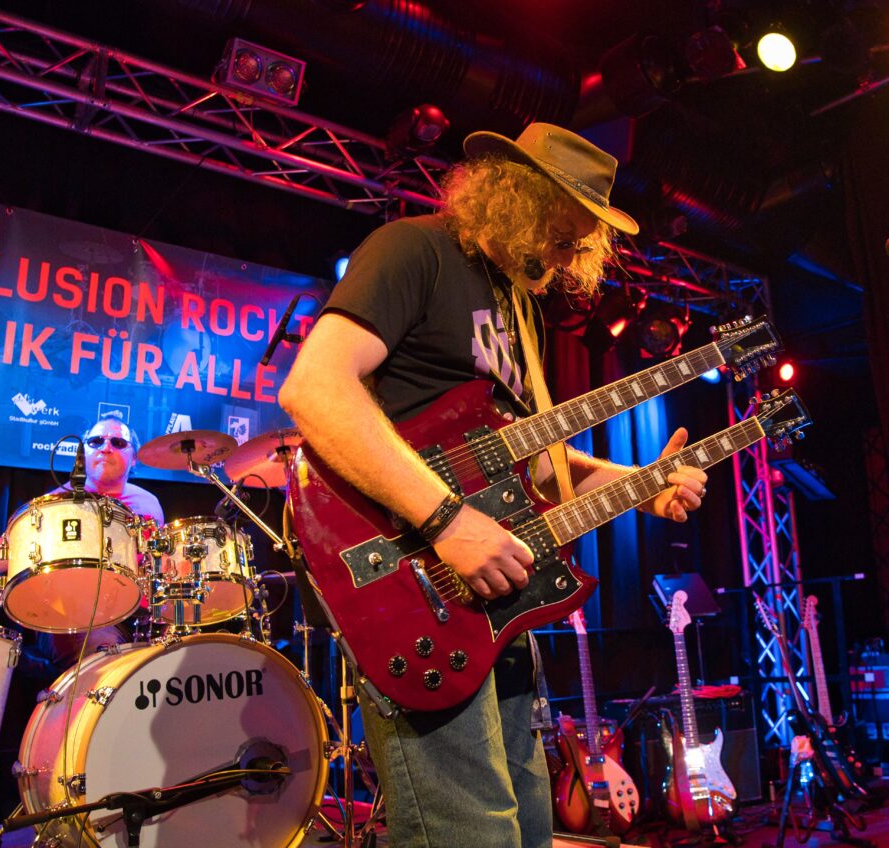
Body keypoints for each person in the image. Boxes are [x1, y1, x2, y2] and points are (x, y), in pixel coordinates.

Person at [278, 123, 708, 847]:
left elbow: (529, 468)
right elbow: (314, 388)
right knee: (471, 832)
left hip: (491, 600)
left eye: (581, 244)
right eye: (563, 233)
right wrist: (446, 521)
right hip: (411, 581)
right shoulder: (416, 250)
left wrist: (641, 483)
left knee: (524, 829)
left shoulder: (518, 308)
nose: (571, 255)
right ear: (513, 197)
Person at [0, 413, 165, 664]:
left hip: (140, 614)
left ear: (134, 457)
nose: (106, 448)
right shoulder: (58, 503)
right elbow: (11, 550)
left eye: (118, 443)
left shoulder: (148, 503)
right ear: (82, 454)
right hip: (74, 614)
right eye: (95, 442)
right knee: (105, 661)